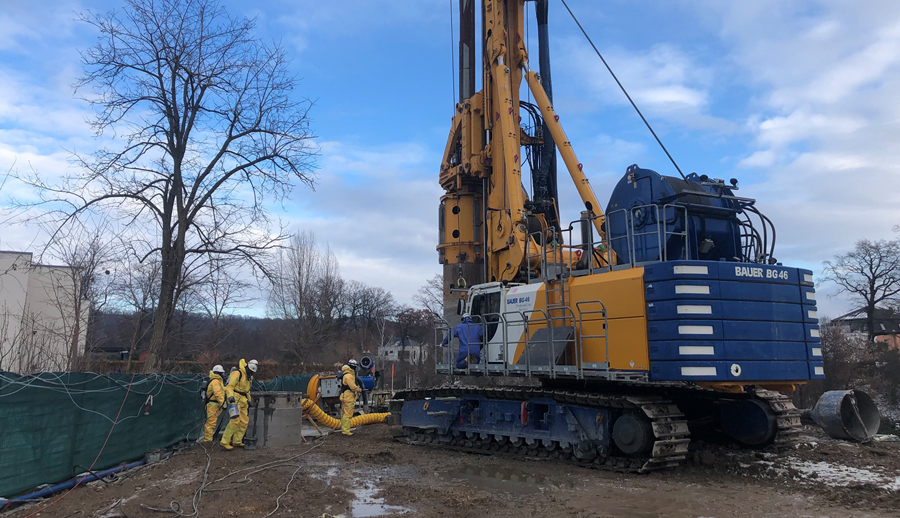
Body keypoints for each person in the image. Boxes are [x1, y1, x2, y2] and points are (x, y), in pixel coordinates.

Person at [220, 358, 258, 450]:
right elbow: (229, 387)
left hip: (243, 400)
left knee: (244, 421)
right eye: (250, 371)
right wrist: (230, 397)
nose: (251, 373)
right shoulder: (237, 373)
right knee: (235, 420)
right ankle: (225, 442)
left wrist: (249, 400)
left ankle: (237, 441)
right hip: (235, 399)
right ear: (247, 367)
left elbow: (247, 390)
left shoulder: (250, 377)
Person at [201, 364, 227, 443]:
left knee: (211, 423)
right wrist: (223, 403)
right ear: (218, 373)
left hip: (215, 405)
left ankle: (208, 439)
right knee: (210, 424)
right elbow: (218, 394)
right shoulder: (215, 382)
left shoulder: (217, 381)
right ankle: (207, 441)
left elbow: (222, 390)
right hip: (213, 405)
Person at [339, 363, 361, 436]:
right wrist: (358, 389)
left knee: (345, 413)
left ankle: (344, 429)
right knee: (348, 414)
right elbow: (352, 386)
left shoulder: (346, 375)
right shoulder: (349, 376)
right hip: (349, 396)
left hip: (345, 395)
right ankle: (346, 431)